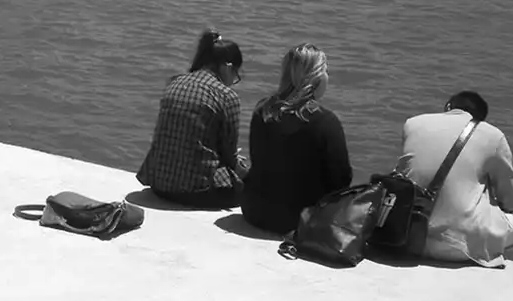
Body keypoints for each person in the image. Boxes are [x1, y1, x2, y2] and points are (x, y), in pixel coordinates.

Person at [396, 91, 513, 271]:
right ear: (480, 120)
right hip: (460, 248)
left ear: (448, 107)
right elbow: (512, 202)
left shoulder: (413, 124)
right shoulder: (493, 136)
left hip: (407, 236)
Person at [240, 44, 352, 233]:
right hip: (297, 220)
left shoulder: (263, 110)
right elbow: (341, 180)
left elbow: (258, 159)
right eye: (326, 70)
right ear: (316, 77)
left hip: (254, 210)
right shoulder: (325, 121)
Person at [136, 29, 249, 208]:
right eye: (236, 75)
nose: (234, 80)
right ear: (227, 67)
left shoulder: (175, 82)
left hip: (158, 184)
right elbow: (230, 157)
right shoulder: (227, 96)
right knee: (249, 190)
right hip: (196, 192)